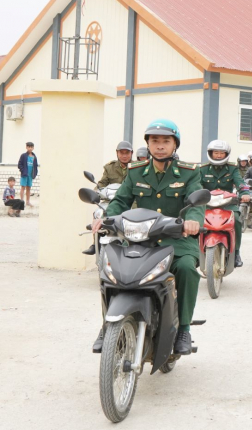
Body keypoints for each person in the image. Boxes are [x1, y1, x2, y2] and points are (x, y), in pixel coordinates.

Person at [92, 119, 203, 355]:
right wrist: (106, 218)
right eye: (155, 141)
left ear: (175, 145)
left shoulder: (189, 172)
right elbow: (120, 201)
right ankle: (108, 324)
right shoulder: (135, 172)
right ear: (148, 144)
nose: (160, 146)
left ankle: (183, 328)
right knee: (109, 268)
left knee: (185, 268)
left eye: (165, 141)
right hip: (139, 238)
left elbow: (195, 201)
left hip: (177, 238)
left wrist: (193, 221)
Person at [199, 140, 251, 267]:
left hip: (227, 203)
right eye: (215, 152)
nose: (218, 155)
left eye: (221, 153)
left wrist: (245, 193)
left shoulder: (232, 168)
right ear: (210, 153)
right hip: (207, 203)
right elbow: (197, 185)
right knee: (196, 221)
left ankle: (237, 252)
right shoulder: (202, 169)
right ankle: (194, 251)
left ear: (226, 154)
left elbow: (240, 182)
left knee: (237, 220)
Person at [17, 142, 38, 207]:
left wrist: (35, 173)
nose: (30, 148)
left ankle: (28, 202)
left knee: (28, 188)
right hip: (24, 174)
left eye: (31, 147)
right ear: (26, 147)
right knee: (23, 187)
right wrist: (23, 171)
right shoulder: (23, 155)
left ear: (33, 148)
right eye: (28, 147)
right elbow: (19, 164)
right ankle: (21, 201)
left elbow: (35, 165)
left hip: (30, 175)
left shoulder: (34, 157)